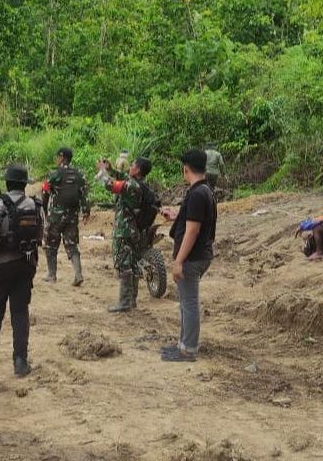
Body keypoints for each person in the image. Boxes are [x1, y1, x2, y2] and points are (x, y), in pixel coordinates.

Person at [0, 164, 43, 377]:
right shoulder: (35, 205)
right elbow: (41, 235)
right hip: (25, 265)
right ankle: (20, 361)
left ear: (7, 183)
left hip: (1, 267)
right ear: (24, 185)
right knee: (20, 312)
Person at [160, 149, 217, 362]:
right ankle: (183, 344)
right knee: (186, 301)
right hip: (200, 254)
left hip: (193, 257)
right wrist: (176, 216)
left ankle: (189, 349)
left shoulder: (197, 194)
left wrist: (179, 261)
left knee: (189, 302)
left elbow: (193, 231)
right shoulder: (204, 190)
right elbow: (193, 220)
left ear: (185, 169)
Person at [95, 156, 153, 312]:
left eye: (133, 165)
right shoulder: (139, 183)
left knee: (123, 265)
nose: (130, 167)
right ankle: (131, 300)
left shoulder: (132, 186)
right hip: (133, 231)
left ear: (138, 169)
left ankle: (124, 302)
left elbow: (110, 185)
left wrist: (102, 172)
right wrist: (110, 169)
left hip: (124, 231)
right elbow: (122, 177)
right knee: (132, 264)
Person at [41, 147, 90, 286]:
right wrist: (86, 211)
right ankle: (78, 274)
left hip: (55, 217)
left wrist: (44, 209)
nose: (57, 159)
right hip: (72, 216)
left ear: (62, 157)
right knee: (72, 245)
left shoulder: (55, 173)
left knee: (51, 245)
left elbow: (45, 191)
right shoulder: (79, 175)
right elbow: (84, 194)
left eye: (57, 156)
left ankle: (52, 275)